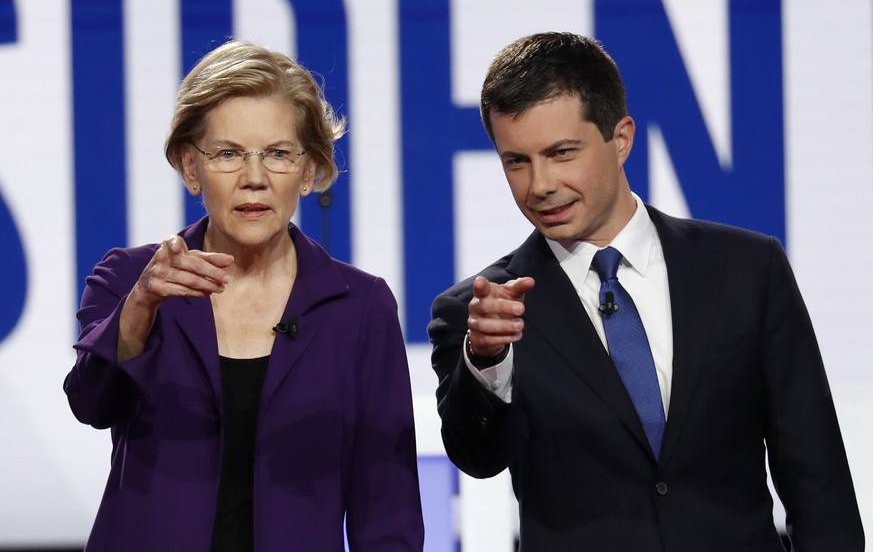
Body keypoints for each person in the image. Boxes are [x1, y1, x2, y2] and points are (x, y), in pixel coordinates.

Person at [427, 32, 864, 551]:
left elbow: (818, 479)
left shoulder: (747, 271)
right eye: (516, 161)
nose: (539, 184)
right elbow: (478, 457)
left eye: (562, 153)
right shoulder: (481, 313)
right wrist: (487, 361)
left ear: (621, 139)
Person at [65, 40, 424, 552]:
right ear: (192, 169)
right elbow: (90, 403)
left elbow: (386, 506)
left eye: (277, 154)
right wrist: (139, 309)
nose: (254, 179)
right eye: (228, 154)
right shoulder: (130, 279)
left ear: (308, 172)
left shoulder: (361, 308)